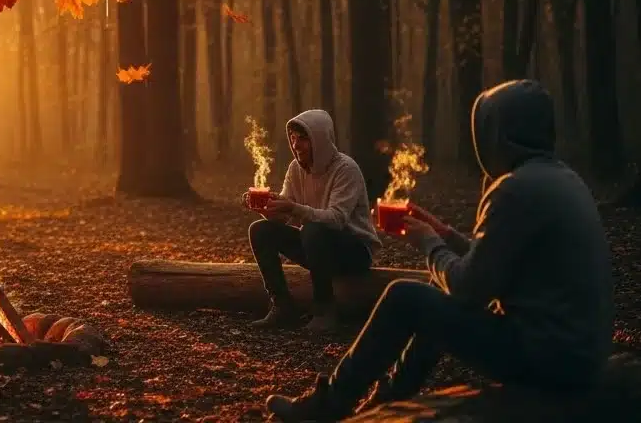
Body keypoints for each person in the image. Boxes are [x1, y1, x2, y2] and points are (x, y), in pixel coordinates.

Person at [266, 80, 614, 421]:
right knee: (431, 293)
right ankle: (392, 396)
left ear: (495, 135)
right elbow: (496, 260)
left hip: (545, 360)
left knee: (404, 296)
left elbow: (467, 289)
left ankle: (333, 402)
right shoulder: (561, 179)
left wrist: (427, 242)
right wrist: (445, 233)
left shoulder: (514, 190)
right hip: (578, 355)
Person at [243, 109, 380, 333]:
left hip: (354, 252)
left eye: (303, 138)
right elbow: (285, 217)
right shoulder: (295, 169)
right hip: (317, 248)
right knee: (260, 230)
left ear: (321, 139)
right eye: (293, 139)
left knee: (314, 230)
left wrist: (293, 207)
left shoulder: (346, 169)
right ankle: (282, 305)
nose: (296, 145)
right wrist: (264, 209)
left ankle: (325, 310)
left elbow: (336, 219)